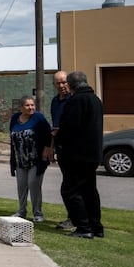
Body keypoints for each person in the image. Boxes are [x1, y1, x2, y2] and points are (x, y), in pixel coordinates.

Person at [56, 71, 105, 239]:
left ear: (70, 85)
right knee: (89, 191)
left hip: (77, 155)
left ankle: (84, 227)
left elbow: (70, 128)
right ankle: (96, 226)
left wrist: (59, 138)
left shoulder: (76, 101)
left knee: (70, 191)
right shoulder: (96, 100)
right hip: (92, 155)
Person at [8, 95, 52, 222]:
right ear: (21, 107)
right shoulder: (15, 118)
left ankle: (38, 213)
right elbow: (12, 135)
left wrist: (47, 148)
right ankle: (21, 211)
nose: (31, 107)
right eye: (27, 105)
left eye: (32, 105)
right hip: (19, 158)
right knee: (21, 185)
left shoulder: (39, 118)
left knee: (33, 184)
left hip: (36, 159)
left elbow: (48, 134)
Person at [46, 71, 73, 228]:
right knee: (67, 184)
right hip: (61, 148)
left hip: (74, 148)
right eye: (58, 83)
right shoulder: (55, 101)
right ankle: (73, 217)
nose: (62, 85)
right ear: (54, 85)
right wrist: (51, 148)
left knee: (71, 187)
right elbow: (54, 127)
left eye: (64, 82)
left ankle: (76, 218)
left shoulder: (74, 100)